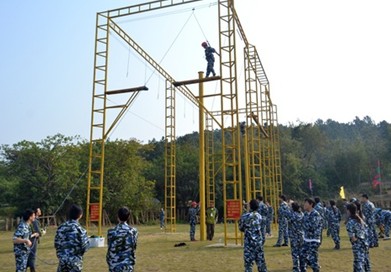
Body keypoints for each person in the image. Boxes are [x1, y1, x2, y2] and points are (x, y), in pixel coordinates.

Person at [54, 204, 90, 272]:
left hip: (62, 262)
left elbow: (56, 244)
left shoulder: (61, 228)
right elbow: (85, 247)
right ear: (80, 215)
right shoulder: (80, 230)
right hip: (75, 263)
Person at [239, 199, 267, 272]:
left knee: (248, 265)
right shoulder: (260, 216)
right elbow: (262, 228)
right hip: (258, 242)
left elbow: (241, 228)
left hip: (249, 243)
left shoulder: (245, 216)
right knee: (261, 263)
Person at [107, 207, 138, 272]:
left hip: (114, 264)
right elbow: (134, 247)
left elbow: (110, 247)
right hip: (128, 264)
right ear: (129, 216)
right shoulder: (133, 231)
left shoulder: (111, 232)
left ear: (117, 216)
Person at [346, 203, 371, 271]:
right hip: (365, 244)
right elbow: (367, 232)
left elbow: (353, 238)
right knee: (365, 262)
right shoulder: (361, 220)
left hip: (358, 245)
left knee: (359, 263)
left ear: (349, 211)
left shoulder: (350, 223)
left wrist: (357, 239)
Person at [300, 198, 322, 272]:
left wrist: (304, 224)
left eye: (306, 203)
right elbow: (302, 223)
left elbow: (312, 227)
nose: (304, 205)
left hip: (314, 240)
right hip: (306, 239)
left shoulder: (315, 214)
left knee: (313, 261)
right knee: (302, 256)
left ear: (311, 204)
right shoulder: (305, 214)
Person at [285, 201, 304, 272]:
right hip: (301, 235)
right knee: (301, 252)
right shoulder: (301, 214)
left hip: (294, 236)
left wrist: (288, 206)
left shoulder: (292, 215)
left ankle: (296, 267)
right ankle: (303, 266)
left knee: (295, 253)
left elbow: (285, 213)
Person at [27, 208, 43, 272]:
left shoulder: (34, 220)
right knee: (32, 256)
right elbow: (37, 232)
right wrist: (41, 233)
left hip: (30, 240)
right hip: (33, 241)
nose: (40, 211)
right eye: (39, 211)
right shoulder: (35, 221)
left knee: (30, 256)